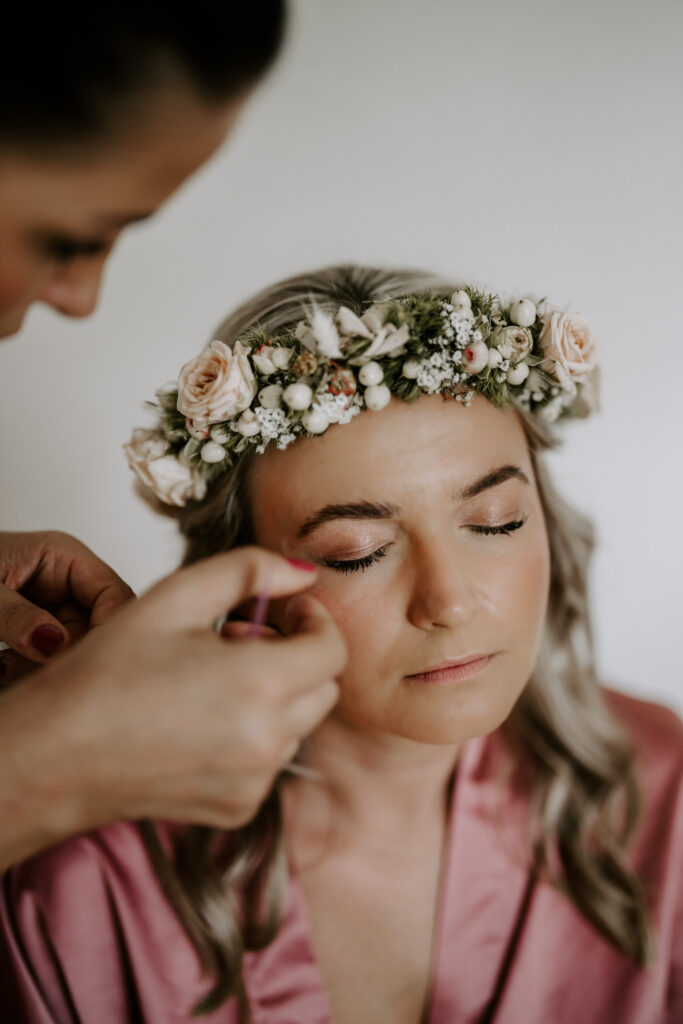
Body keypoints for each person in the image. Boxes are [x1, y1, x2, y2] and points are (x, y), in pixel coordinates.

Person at [1, 265, 680, 1023]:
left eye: (494, 521)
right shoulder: (76, 871)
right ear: (243, 576)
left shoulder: (665, 798)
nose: (448, 602)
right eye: (356, 552)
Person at [0, 3, 348, 872]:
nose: (82, 299)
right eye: (74, 237)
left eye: (494, 521)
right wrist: (41, 773)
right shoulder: (86, 894)